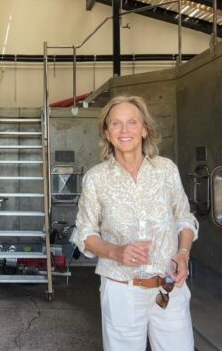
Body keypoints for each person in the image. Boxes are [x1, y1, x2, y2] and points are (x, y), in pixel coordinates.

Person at [71, 95, 198, 351]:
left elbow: (184, 218)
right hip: (122, 291)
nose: (124, 130)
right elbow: (84, 233)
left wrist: (183, 254)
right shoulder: (96, 179)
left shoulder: (166, 170)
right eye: (116, 123)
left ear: (144, 129)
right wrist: (115, 251)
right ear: (107, 133)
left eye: (132, 122)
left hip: (169, 287)